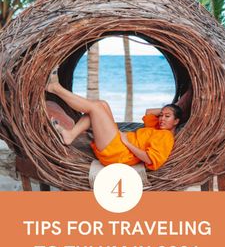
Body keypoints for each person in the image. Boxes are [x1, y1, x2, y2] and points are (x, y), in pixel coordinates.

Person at [46, 67, 182, 171]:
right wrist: (169, 109)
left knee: (96, 109)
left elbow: (150, 159)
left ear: (176, 121)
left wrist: (128, 143)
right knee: (102, 104)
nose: (162, 118)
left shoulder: (166, 137)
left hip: (118, 153)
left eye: (167, 117)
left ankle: (55, 88)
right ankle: (70, 135)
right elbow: (149, 112)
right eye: (162, 115)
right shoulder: (157, 127)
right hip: (119, 144)